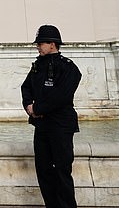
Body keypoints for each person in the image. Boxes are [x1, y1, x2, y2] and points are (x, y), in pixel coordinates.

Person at [20, 25, 82, 208]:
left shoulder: (69, 67)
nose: (38, 47)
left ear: (52, 44)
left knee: (62, 171)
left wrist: (37, 108)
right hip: (42, 127)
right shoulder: (37, 66)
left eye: (41, 43)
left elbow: (61, 96)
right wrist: (28, 106)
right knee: (44, 172)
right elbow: (26, 87)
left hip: (61, 127)